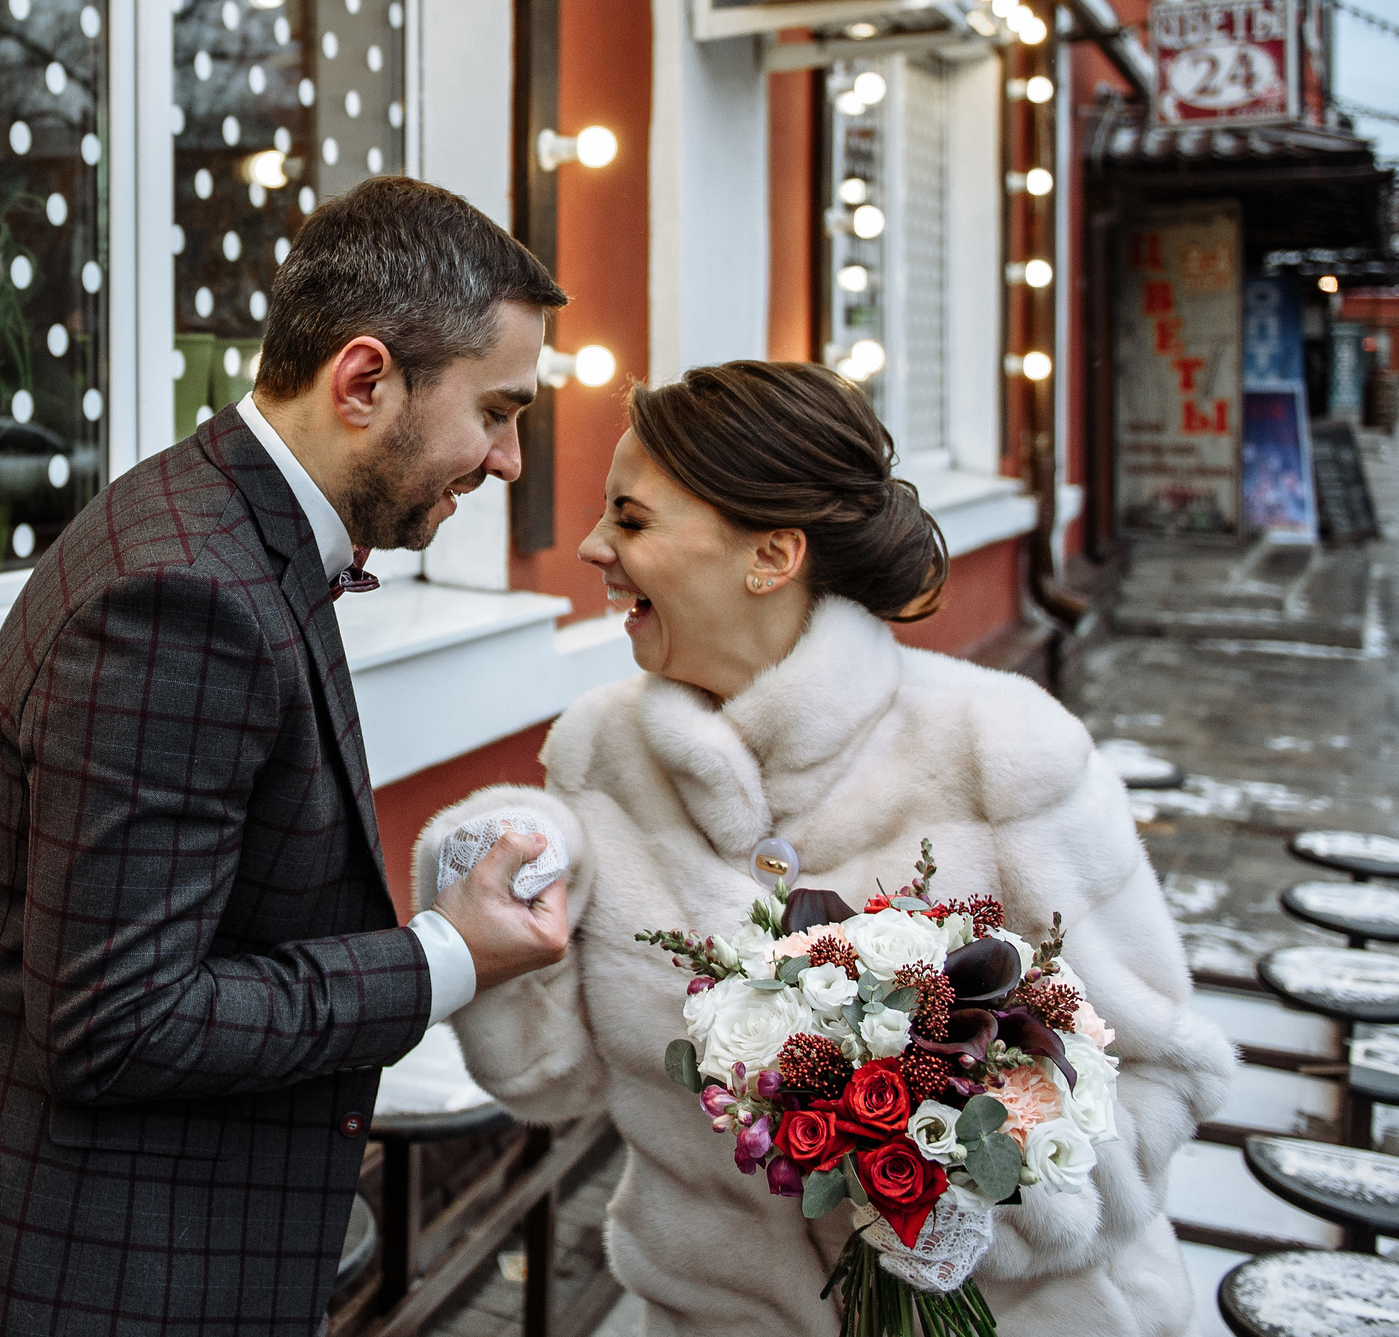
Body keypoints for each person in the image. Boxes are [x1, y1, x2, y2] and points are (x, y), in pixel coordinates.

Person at [0, 176, 576, 1335]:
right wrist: (446, 956)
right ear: (364, 381)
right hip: (97, 1274)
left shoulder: (213, 515)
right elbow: (120, 1018)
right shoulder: (181, 596)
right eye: (496, 411)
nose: (505, 458)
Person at [413, 361, 1231, 1336]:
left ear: (770, 555)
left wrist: (980, 1201)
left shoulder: (1001, 749)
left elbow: (1166, 1066)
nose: (592, 546)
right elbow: (553, 1082)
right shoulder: (601, 750)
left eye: (630, 520)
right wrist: (488, 879)